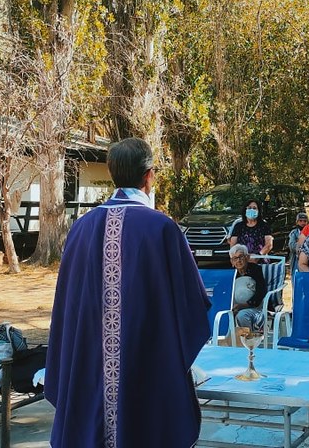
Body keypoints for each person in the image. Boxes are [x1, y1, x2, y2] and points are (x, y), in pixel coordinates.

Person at [44, 137, 211, 448]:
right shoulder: (162, 228)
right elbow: (191, 307)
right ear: (149, 175)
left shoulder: (80, 228)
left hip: (90, 365)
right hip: (144, 365)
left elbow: (67, 308)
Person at [229, 243, 267, 333]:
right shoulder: (230, 274)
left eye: (241, 257)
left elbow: (261, 291)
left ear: (247, 257)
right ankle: (226, 343)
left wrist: (244, 305)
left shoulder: (255, 270)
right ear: (232, 262)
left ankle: (248, 341)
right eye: (235, 258)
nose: (238, 261)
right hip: (233, 308)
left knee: (242, 315)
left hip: (254, 308)